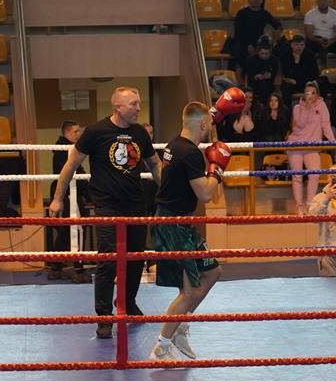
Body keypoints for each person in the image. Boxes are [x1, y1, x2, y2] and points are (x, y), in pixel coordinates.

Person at [49, 87, 161, 339]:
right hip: (107, 206)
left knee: (136, 259)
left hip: (136, 204)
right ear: (118, 107)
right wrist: (57, 198)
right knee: (108, 260)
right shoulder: (96, 132)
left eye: (139, 103)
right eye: (133, 104)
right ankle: (104, 317)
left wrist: (166, 194)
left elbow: (154, 163)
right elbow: (70, 165)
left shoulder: (139, 133)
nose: (138, 108)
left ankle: (127, 303)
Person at [148, 102, 230, 362]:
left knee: (212, 272)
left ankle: (180, 328)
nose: (210, 128)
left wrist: (213, 112)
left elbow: (200, 118)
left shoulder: (174, 144)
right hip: (173, 225)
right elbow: (205, 194)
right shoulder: (190, 153)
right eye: (209, 125)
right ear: (203, 125)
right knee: (189, 291)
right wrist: (217, 169)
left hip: (180, 222)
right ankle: (161, 347)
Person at [46, 121, 91, 283]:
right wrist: (90, 194)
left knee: (65, 232)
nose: (79, 134)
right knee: (77, 229)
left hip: (66, 194)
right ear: (67, 133)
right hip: (70, 194)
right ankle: (78, 269)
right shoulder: (67, 151)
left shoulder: (64, 150)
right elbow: (75, 174)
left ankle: (56, 267)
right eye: (76, 131)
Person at [287, 82, 336, 214]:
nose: (310, 95)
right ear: (304, 94)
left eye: (313, 93)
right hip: (296, 145)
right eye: (307, 93)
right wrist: (307, 107)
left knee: (314, 174)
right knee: (297, 176)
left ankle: (310, 204)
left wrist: (333, 142)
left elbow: (326, 125)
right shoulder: (297, 108)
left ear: (317, 95)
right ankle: (299, 206)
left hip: (312, 146)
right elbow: (300, 124)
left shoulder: (322, 106)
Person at [231, 0, 282, 72]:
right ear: (248, 1)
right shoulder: (242, 13)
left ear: (261, 0)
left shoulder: (264, 13)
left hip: (259, 41)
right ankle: (248, 72)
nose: (256, 0)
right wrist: (248, 44)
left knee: (276, 49)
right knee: (238, 50)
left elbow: (277, 24)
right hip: (243, 41)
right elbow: (238, 32)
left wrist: (278, 29)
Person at [304, 0, 336, 67]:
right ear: (317, 2)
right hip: (315, 40)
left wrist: (330, 41)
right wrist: (319, 40)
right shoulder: (309, 14)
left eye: (325, 0)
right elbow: (309, 34)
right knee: (308, 50)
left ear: (329, 2)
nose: (323, 2)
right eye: (320, 0)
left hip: (332, 40)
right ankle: (314, 72)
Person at [280, 34, 319, 101]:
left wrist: (298, 82)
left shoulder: (310, 56)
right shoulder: (286, 55)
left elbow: (314, 75)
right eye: (296, 45)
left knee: (313, 87)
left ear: (304, 46)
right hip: (291, 82)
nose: (299, 47)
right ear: (292, 45)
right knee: (286, 87)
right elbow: (286, 74)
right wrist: (296, 62)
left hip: (305, 82)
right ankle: (287, 107)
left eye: (301, 45)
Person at [245, 36, 280, 102]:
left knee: (265, 86)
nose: (264, 56)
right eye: (262, 53)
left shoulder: (274, 60)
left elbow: (275, 75)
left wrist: (271, 75)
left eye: (267, 54)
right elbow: (248, 76)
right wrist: (256, 77)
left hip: (269, 84)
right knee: (262, 86)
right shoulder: (251, 60)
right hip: (254, 84)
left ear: (270, 53)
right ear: (258, 52)